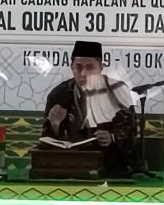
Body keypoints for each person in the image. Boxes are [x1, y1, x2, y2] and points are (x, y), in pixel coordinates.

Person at [42, 40, 136, 176]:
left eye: (90, 67)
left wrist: (112, 136)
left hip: (110, 164)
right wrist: (55, 125)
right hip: (71, 164)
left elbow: (130, 130)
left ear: (101, 68)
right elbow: (46, 141)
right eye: (78, 67)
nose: (83, 73)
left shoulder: (117, 90)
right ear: (71, 67)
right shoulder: (59, 94)